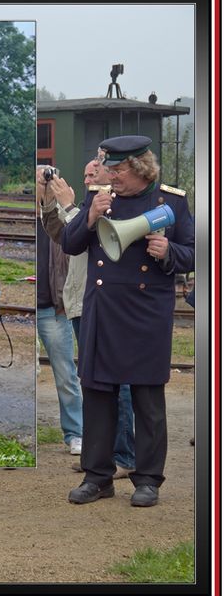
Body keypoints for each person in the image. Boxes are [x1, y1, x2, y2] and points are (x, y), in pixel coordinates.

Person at [61, 136, 194, 507]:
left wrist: (170, 253)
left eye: (117, 170)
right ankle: (98, 477)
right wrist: (89, 216)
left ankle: (148, 479)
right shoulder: (100, 197)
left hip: (146, 312)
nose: (110, 175)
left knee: (147, 399)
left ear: (139, 168)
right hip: (103, 310)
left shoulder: (173, 201)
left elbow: (197, 251)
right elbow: (70, 245)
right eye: (109, 168)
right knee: (98, 395)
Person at [42, 158, 135, 478]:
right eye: (84, 174)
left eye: (95, 172)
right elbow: (62, 237)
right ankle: (101, 457)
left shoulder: (114, 207)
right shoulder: (84, 206)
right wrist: (49, 201)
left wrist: (69, 206)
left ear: (111, 175)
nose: (88, 177)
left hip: (102, 304)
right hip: (80, 302)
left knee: (116, 382)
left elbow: (93, 234)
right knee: (94, 383)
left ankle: (124, 456)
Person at [35, 166, 83, 456]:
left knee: (66, 374)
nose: (44, 184)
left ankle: (75, 433)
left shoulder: (59, 218)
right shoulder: (24, 216)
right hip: (31, 307)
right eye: (40, 179)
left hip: (52, 307)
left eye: (48, 179)